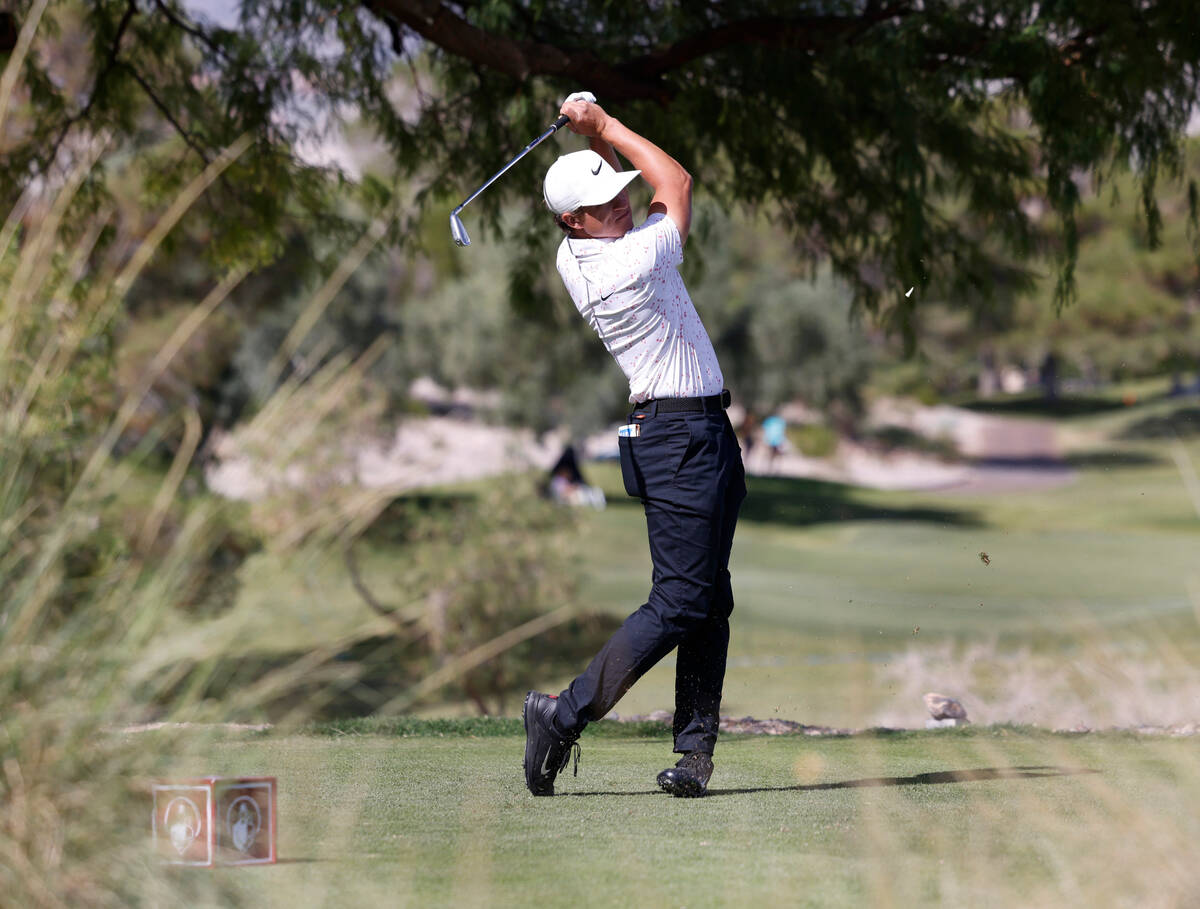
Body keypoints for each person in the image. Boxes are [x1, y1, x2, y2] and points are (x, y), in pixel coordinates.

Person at [522, 93, 746, 798]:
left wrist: (597, 148)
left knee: (709, 598)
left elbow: (636, 192)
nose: (621, 208)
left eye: (619, 199)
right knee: (680, 599)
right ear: (572, 222)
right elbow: (673, 183)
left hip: (695, 431)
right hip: (680, 435)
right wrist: (605, 126)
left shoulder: (587, 252)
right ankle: (563, 714)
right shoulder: (626, 268)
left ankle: (692, 756)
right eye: (603, 206)